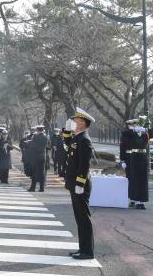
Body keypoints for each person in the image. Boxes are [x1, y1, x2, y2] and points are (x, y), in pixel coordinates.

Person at [65, 108, 95, 260]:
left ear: (82, 123)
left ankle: (87, 251)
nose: (73, 122)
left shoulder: (85, 140)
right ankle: (82, 248)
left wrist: (80, 182)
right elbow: (68, 147)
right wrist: (66, 130)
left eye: (76, 121)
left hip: (79, 185)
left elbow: (84, 164)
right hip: (74, 183)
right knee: (79, 219)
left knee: (84, 218)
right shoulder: (78, 138)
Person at [124, 116, 153, 210]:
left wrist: (146, 128)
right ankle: (134, 199)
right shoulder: (129, 133)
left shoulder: (145, 133)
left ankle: (141, 201)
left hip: (143, 158)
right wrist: (134, 130)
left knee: (143, 180)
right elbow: (124, 137)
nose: (137, 125)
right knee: (134, 179)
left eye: (139, 124)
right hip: (133, 157)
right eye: (135, 124)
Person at [28, 125, 49, 192]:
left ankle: (33, 187)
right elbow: (47, 146)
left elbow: (32, 146)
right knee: (42, 172)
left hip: (36, 156)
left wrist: (29, 142)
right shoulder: (46, 137)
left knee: (34, 172)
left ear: (37, 130)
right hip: (43, 156)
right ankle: (41, 187)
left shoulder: (35, 137)